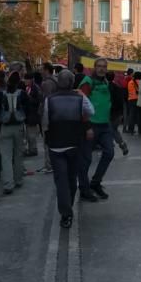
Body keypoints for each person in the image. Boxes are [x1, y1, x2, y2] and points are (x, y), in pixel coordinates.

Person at [43, 70, 94, 228]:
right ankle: (68, 206)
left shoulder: (49, 99)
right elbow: (91, 112)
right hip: (74, 143)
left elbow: (45, 121)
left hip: (55, 144)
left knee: (61, 180)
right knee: (72, 178)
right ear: (72, 82)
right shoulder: (79, 98)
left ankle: (66, 214)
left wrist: (47, 137)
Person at [79, 58, 115, 201]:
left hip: (105, 125)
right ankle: (84, 189)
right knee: (86, 159)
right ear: (94, 67)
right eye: (99, 66)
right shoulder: (88, 81)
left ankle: (95, 183)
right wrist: (87, 127)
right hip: (91, 126)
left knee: (109, 153)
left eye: (104, 67)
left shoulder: (106, 81)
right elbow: (81, 105)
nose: (101, 69)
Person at [0, 70, 30, 195]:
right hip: (19, 127)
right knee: (18, 155)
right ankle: (18, 179)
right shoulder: (22, 94)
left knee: (6, 156)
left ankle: (8, 184)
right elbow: (29, 107)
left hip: (5, 127)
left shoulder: (0, 94)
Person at [105, 71, 129, 155]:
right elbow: (121, 101)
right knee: (113, 130)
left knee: (110, 130)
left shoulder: (106, 88)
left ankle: (113, 145)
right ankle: (120, 144)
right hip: (117, 113)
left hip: (109, 113)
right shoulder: (117, 88)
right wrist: (121, 113)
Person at [125, 70, 140, 134]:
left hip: (130, 99)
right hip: (138, 99)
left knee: (131, 115)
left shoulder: (130, 82)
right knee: (139, 115)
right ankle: (140, 129)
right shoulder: (140, 82)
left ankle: (130, 129)